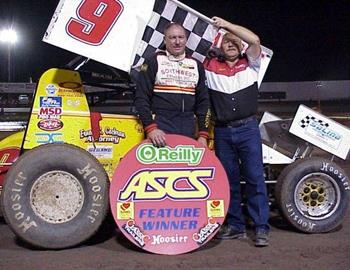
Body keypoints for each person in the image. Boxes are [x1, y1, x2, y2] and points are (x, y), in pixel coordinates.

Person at [204, 17, 270, 247]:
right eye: (226, 43)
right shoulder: (209, 66)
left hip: (248, 129)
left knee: (254, 178)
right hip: (222, 131)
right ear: (220, 47)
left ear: (241, 46)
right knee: (228, 180)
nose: (230, 45)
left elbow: (255, 39)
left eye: (234, 42)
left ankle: (261, 227)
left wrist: (228, 26)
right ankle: (236, 225)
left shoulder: (252, 62)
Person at [133, 22, 210, 147]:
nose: (177, 42)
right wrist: (151, 128)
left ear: (186, 39)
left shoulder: (197, 65)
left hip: (188, 125)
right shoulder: (153, 61)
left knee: (186, 166)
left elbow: (204, 103)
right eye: (172, 37)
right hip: (161, 126)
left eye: (181, 37)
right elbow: (141, 98)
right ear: (165, 39)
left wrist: (203, 135)